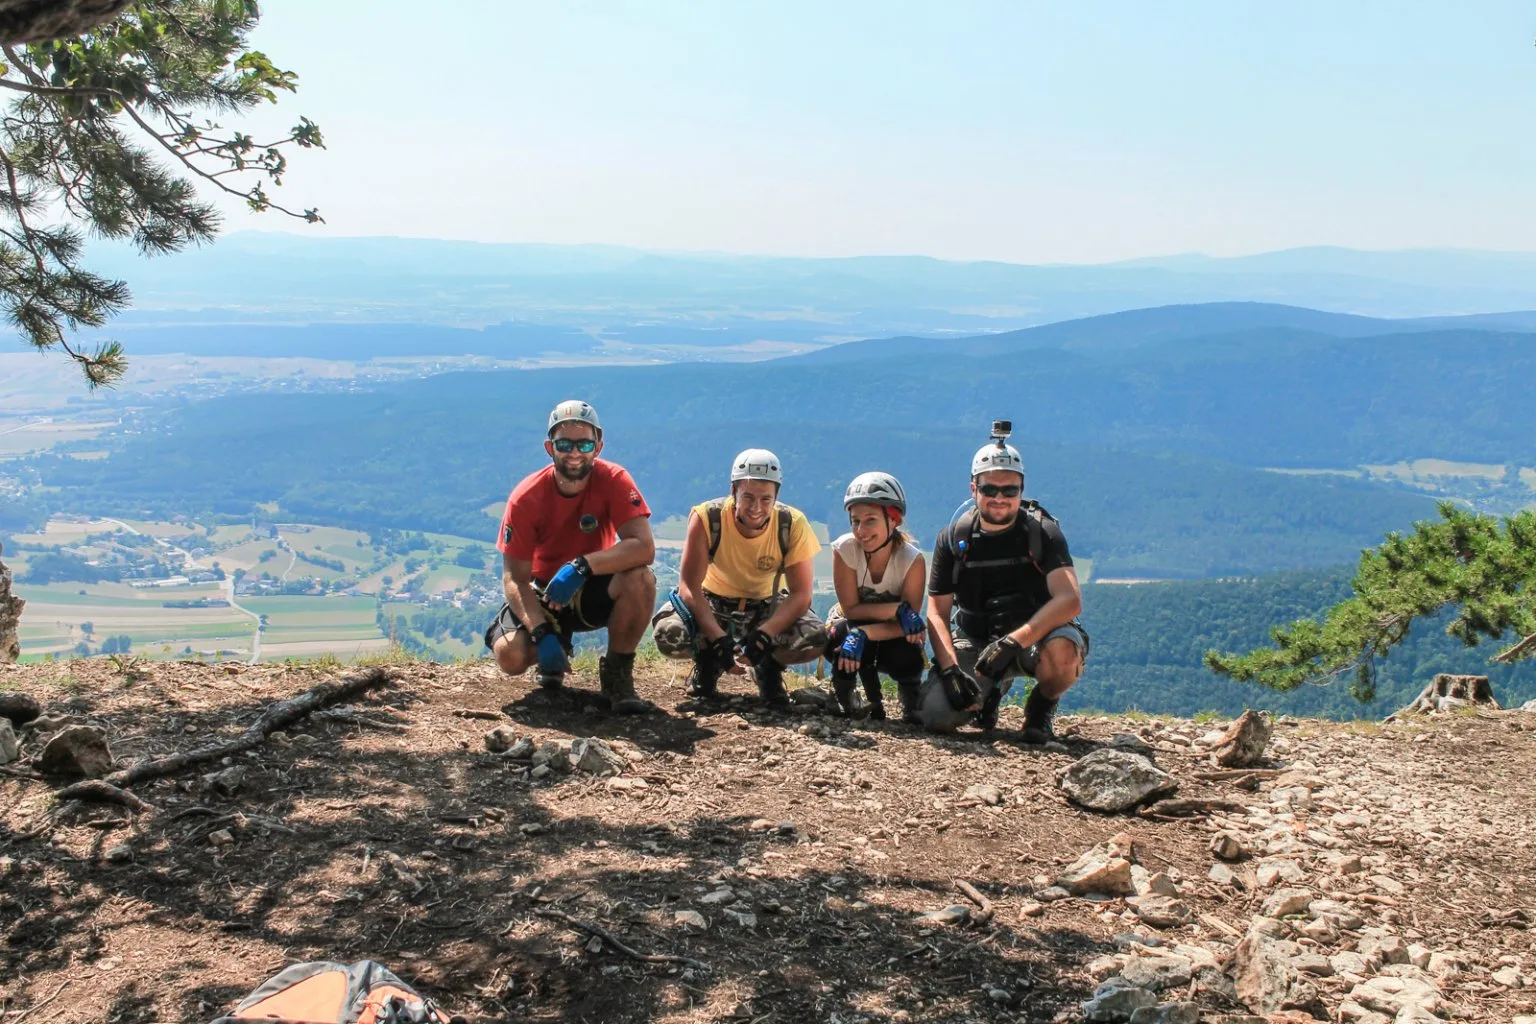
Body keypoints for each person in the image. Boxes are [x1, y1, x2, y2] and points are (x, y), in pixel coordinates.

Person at [483, 400, 657, 714]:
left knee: (641, 578)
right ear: (550, 448)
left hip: (591, 588)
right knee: (510, 656)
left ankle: (618, 675)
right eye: (564, 444)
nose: (574, 453)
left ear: (598, 446)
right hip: (542, 591)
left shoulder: (615, 480)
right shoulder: (526, 497)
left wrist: (582, 566)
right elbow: (514, 579)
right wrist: (540, 631)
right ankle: (553, 647)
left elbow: (644, 547)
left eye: (584, 444)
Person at [921, 421, 1088, 743]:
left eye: (1009, 490)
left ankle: (1041, 707)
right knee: (937, 717)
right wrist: (950, 670)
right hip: (977, 638)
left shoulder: (1042, 533)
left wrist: (1013, 643)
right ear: (974, 489)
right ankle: (988, 693)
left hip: (1038, 637)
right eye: (989, 489)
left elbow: (1070, 599)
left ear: (1021, 490)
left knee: (1063, 653)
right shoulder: (954, 539)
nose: (999, 498)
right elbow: (936, 612)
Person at [651, 448, 824, 706]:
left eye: (766, 499)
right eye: (748, 497)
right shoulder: (707, 518)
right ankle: (707, 663)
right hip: (713, 601)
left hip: (767, 604)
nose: (756, 508)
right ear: (733, 491)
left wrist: (766, 634)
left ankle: (768, 668)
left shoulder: (792, 523)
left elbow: (801, 594)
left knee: (816, 638)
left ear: (777, 495)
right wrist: (716, 637)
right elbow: (688, 586)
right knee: (668, 635)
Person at [823, 472, 928, 722]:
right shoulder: (845, 550)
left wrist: (866, 633)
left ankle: (910, 697)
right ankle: (847, 696)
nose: (861, 530)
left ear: (893, 520)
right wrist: (897, 609)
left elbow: (909, 628)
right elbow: (850, 609)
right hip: (853, 622)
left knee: (909, 650)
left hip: (890, 635)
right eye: (855, 521)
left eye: (870, 520)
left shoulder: (911, 560)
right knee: (840, 637)